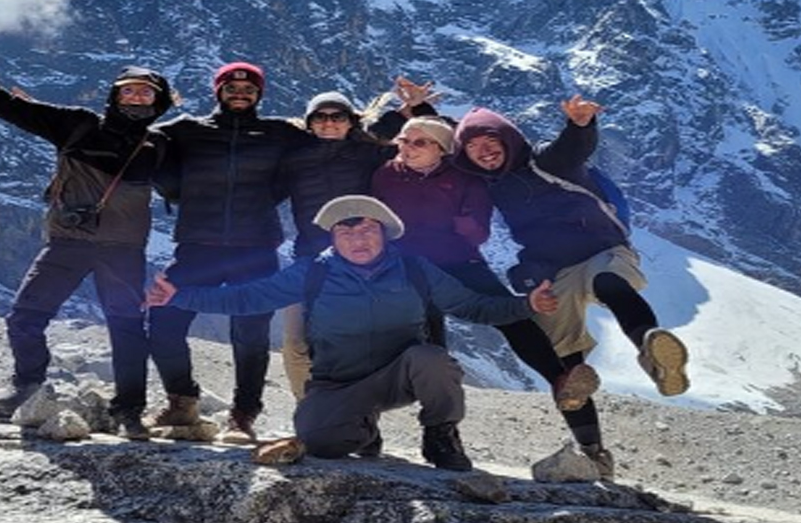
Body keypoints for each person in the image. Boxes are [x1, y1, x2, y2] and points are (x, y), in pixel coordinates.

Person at [144, 195, 560, 470]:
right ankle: (364, 429)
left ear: (384, 233)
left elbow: (472, 305)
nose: (357, 239)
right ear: (333, 238)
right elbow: (248, 298)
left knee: (433, 360)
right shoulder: (315, 272)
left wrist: (526, 305)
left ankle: (440, 436)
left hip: (402, 374)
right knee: (319, 442)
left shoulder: (415, 268)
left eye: (366, 231)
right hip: (337, 383)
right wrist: (179, 296)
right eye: (346, 232)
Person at [0, 29, 173, 439]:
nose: (137, 97)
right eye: (130, 91)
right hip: (70, 242)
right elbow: (3, 104)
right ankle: (27, 386)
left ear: (159, 101)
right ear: (115, 96)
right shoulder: (79, 125)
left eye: (146, 93)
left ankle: (130, 409)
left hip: (123, 251)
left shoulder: (163, 145)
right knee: (25, 317)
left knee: (127, 329)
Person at [452, 97, 689, 475]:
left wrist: (581, 124)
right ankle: (592, 452)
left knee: (608, 281)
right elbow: (435, 141)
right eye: (472, 146)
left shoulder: (545, 162)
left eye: (490, 141)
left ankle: (651, 350)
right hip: (555, 271)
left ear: (509, 140)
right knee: (567, 369)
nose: (483, 150)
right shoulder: (491, 185)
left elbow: (573, 148)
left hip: (602, 251)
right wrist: (416, 110)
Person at [370, 116, 607, 460]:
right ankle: (441, 438)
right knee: (433, 351)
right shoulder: (385, 175)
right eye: (403, 141)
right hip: (409, 271)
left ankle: (568, 395)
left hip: (461, 263)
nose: (406, 149)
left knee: (517, 320)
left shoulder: (463, 175)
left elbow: (478, 232)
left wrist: (462, 223)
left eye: (418, 142)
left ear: (440, 148)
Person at [149, 62, 307, 443]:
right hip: (197, 247)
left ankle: (243, 415)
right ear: (218, 90)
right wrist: (172, 188)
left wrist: (405, 117)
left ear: (259, 95)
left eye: (249, 90)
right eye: (232, 88)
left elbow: (335, 139)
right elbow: (137, 136)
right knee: (163, 320)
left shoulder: (280, 133)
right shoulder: (186, 129)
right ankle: (182, 400)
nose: (241, 94)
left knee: (250, 334)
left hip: (255, 249)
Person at [276, 80, 436, 399]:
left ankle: (361, 423)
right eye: (320, 117)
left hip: (365, 261)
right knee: (296, 344)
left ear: (351, 121)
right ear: (309, 124)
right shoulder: (292, 157)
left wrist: (415, 108)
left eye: (338, 116)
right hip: (309, 259)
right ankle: (311, 418)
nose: (329, 123)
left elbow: (428, 146)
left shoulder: (370, 154)